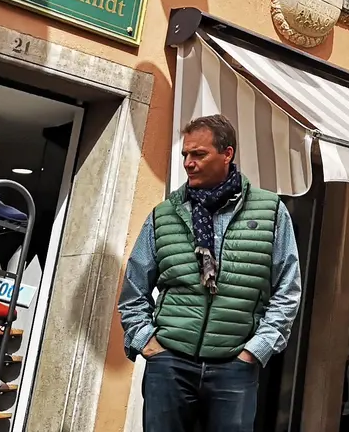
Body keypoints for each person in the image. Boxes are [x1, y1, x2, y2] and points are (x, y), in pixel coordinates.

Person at [118, 115, 302, 432]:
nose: (189, 163)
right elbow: (134, 289)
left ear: (227, 154)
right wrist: (147, 342)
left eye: (199, 154)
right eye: (185, 155)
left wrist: (255, 351)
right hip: (170, 363)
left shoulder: (270, 211)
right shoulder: (165, 215)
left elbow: (287, 290)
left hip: (235, 367)